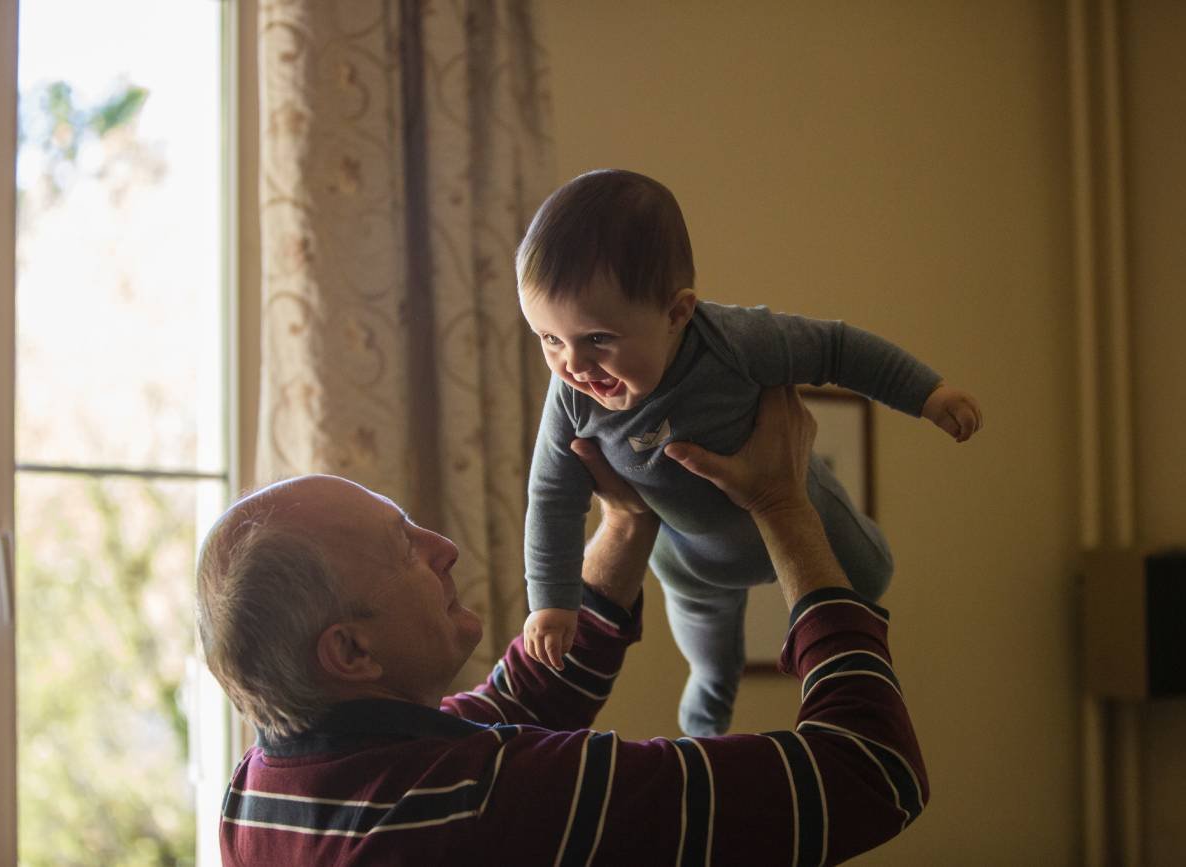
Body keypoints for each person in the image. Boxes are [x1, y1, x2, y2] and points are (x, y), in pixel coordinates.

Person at [197, 386, 929, 866]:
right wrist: (783, 504)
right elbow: (870, 771)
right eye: (404, 547)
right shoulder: (491, 803)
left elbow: (518, 701)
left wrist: (627, 519)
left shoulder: (261, 791)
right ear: (351, 650)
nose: (443, 547)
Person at [519, 168, 982, 735]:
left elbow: (837, 349)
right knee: (712, 663)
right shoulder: (571, 398)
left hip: (800, 507)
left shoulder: (735, 342)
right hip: (691, 562)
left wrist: (928, 394)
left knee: (872, 576)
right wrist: (551, 601)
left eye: (598, 339)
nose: (573, 365)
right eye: (548, 339)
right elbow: (551, 497)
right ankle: (704, 732)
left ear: (676, 314)